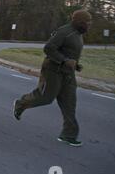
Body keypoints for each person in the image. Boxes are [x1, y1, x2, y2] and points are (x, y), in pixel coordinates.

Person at [13, 9, 92, 147]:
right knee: (45, 98)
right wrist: (65, 60)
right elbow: (48, 48)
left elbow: (69, 52)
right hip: (52, 70)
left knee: (69, 103)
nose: (89, 25)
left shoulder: (79, 34)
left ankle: (68, 135)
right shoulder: (64, 32)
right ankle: (21, 103)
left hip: (68, 73)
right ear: (79, 22)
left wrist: (75, 65)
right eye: (87, 22)